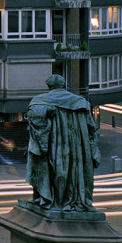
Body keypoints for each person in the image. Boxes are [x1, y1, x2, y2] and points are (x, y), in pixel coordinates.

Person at [26, 74, 101, 212]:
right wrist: (92, 149)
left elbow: (35, 121)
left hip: (56, 145)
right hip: (78, 147)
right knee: (75, 170)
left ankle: (55, 199)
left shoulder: (39, 101)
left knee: (56, 169)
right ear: (64, 85)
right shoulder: (81, 102)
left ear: (49, 86)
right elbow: (91, 128)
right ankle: (75, 199)